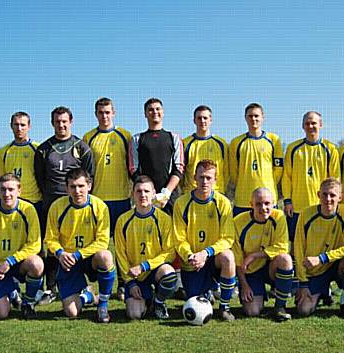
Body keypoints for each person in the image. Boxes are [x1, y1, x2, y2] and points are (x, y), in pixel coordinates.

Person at [34, 106, 95, 305]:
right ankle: (50, 288)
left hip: (77, 204)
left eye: (64, 121)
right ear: (52, 123)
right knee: (52, 245)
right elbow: (40, 178)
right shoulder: (43, 149)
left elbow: (89, 176)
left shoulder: (82, 147)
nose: (61, 125)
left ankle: (85, 284)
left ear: (71, 122)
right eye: (57, 121)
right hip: (51, 204)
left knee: (78, 243)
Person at [44, 168, 116, 323]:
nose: (77, 191)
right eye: (73, 187)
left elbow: (103, 241)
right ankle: (88, 296)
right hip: (67, 261)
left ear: (89, 186)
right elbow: (50, 239)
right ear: (66, 188)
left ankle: (102, 305)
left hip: (90, 259)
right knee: (72, 312)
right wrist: (60, 253)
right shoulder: (57, 207)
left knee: (106, 256)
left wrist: (78, 255)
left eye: (81, 186)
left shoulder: (100, 207)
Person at [173, 160, 237, 321]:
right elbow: (179, 239)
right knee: (194, 298)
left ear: (216, 179)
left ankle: (225, 307)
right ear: (194, 177)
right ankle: (208, 290)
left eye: (209, 178)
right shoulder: (181, 203)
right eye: (201, 177)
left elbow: (228, 238)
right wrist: (191, 256)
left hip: (213, 258)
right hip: (193, 261)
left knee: (228, 257)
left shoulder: (223, 203)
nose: (204, 181)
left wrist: (206, 253)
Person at [0, 174, 44, 320]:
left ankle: (28, 303)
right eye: (3, 189)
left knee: (36, 264)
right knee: (1, 314)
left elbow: (35, 245)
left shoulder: (29, 210)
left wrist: (11, 261)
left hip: (19, 264)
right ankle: (11, 292)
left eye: (11, 189)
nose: (7, 194)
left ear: (19, 191)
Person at [83, 98, 132, 301]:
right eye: (101, 112)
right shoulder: (89, 137)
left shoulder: (125, 136)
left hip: (121, 199)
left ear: (114, 113)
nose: (104, 116)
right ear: (96, 114)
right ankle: (96, 286)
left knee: (122, 246)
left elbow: (132, 167)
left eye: (108, 112)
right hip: (98, 201)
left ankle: (123, 284)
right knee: (98, 246)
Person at [293, 178, 344, 318]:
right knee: (303, 310)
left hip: (337, 266)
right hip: (315, 272)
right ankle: (323, 292)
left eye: (333, 195)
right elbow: (298, 249)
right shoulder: (306, 214)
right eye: (324, 194)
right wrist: (303, 283)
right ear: (318, 194)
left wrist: (322, 258)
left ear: (340, 197)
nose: (328, 199)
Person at [115, 175, 177, 320]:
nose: (143, 195)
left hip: (154, 270)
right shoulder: (123, 221)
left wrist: (145, 266)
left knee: (169, 273)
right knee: (134, 315)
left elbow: (170, 253)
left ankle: (158, 302)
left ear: (154, 194)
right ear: (133, 194)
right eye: (139, 191)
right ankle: (147, 299)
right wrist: (129, 283)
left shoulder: (164, 220)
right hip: (135, 276)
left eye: (147, 191)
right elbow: (120, 256)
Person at [233, 187, 294, 321]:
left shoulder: (279, 217)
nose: (263, 208)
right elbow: (238, 261)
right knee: (252, 311)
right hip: (251, 272)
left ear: (273, 203)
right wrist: (244, 286)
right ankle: (258, 295)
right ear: (251, 205)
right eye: (258, 204)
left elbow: (282, 247)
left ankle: (280, 307)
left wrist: (254, 255)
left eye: (267, 203)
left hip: (271, 267)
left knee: (285, 259)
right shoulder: (238, 222)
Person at [283, 111, 340, 242]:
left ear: (320, 125)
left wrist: (333, 202)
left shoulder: (330, 149)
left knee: (320, 241)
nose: (310, 126)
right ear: (303, 126)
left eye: (313, 123)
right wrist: (287, 201)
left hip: (321, 206)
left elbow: (334, 180)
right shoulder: (293, 148)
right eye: (307, 123)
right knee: (295, 242)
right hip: (297, 207)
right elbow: (287, 177)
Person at [128, 98, 184, 214]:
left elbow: (179, 168)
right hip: (146, 198)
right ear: (145, 114)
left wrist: (166, 193)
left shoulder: (174, 138)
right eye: (150, 110)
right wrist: (148, 192)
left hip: (169, 198)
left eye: (158, 109)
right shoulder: (136, 139)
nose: (154, 112)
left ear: (163, 112)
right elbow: (133, 169)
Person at [229, 103, 283, 216]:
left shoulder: (274, 140)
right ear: (245, 118)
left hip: (268, 199)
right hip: (243, 200)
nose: (253, 119)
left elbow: (278, 170)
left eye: (256, 116)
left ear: (263, 117)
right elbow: (233, 172)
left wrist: (267, 182)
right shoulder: (236, 142)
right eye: (250, 116)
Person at [0, 112, 42, 214]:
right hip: (12, 201)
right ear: (11, 126)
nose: (19, 128)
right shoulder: (3, 151)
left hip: (34, 201)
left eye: (23, 125)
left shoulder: (38, 149)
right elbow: (1, 178)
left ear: (29, 126)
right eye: (16, 124)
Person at [182, 105, 229, 195]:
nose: (202, 121)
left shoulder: (221, 144)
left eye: (205, 118)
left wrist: (218, 187)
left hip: (216, 193)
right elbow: (182, 172)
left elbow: (226, 171)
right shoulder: (186, 143)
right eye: (199, 118)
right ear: (194, 120)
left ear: (210, 120)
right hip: (191, 193)